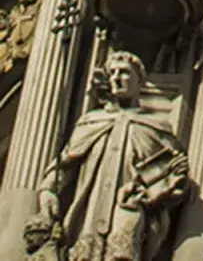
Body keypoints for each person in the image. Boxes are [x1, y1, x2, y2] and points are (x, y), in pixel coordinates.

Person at [25, 51, 188, 261]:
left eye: (124, 73)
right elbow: (64, 167)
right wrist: (48, 193)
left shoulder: (156, 128)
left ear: (140, 81)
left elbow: (170, 177)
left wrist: (152, 192)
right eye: (112, 73)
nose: (117, 78)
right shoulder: (91, 122)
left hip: (129, 214)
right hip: (87, 217)